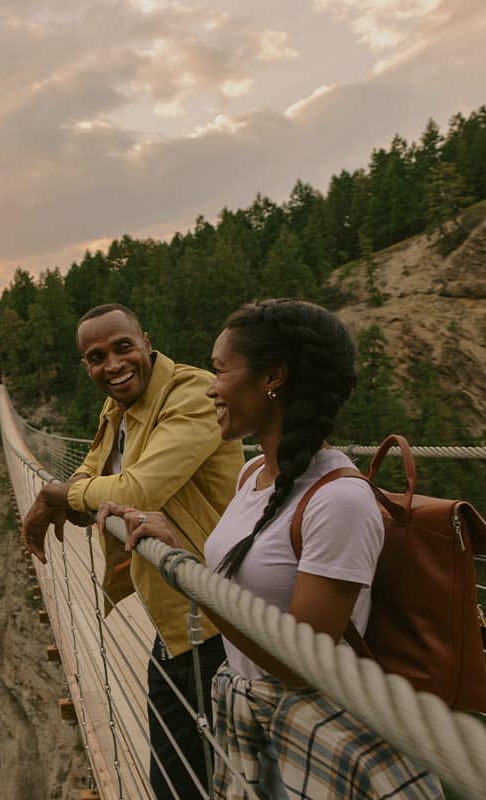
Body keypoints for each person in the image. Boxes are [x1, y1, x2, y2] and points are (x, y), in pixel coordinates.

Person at [113, 298, 444, 799]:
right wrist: (178, 546)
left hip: (313, 735)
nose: (210, 387)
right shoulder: (253, 476)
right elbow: (245, 585)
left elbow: (297, 664)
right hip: (251, 720)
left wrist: (188, 578)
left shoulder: (339, 500)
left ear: (274, 377)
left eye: (220, 370)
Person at [22, 303, 244, 800]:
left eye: (123, 347)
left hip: (216, 616)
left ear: (146, 340)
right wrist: (76, 491)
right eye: (96, 357)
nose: (113, 364)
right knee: (179, 774)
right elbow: (91, 475)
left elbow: (137, 491)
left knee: (200, 777)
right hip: (176, 616)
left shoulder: (191, 392)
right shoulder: (118, 405)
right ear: (86, 366)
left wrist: (60, 495)